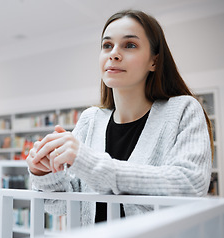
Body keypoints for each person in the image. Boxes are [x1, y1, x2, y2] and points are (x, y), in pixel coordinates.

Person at [26, 9, 213, 226]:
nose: (114, 54)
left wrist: (92, 163)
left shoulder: (183, 110)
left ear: (154, 61)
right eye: (107, 46)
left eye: (130, 45)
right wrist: (45, 173)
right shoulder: (90, 119)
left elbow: (190, 185)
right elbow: (60, 206)